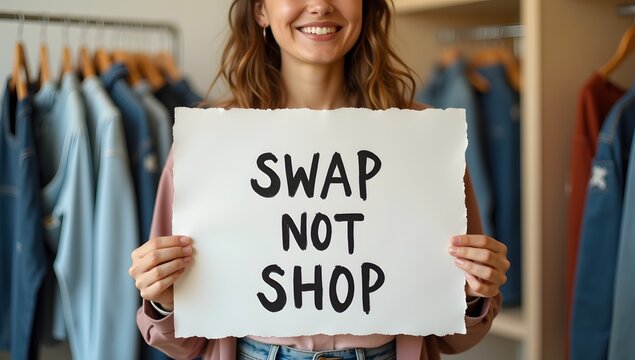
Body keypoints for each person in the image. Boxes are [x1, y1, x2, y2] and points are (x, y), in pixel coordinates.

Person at [128, 0, 511, 359]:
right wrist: (164, 299)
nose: (320, 4)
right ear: (260, 9)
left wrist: (474, 292)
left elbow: (455, 335)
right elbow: (182, 342)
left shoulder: (423, 140)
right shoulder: (210, 143)